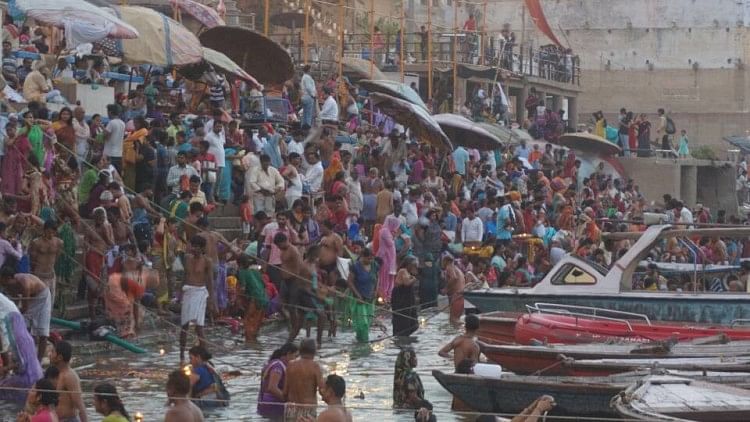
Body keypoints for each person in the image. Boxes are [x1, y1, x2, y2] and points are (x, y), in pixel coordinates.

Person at [0, 266, 51, 361]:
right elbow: (13, 303)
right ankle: (25, 357)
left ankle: (38, 361)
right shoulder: (7, 285)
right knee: (23, 328)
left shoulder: (24, 284)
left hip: (42, 297)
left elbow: (24, 309)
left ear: (9, 278)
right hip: (28, 300)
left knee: (42, 331)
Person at [179, 235, 215, 364]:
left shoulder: (207, 261)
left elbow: (210, 281)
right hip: (188, 292)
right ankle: (182, 355)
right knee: (184, 327)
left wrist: (212, 301)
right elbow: (184, 276)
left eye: (197, 247)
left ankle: (205, 358)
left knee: (199, 327)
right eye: (193, 246)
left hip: (200, 293)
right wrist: (179, 294)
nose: (194, 249)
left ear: (202, 248)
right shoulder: (186, 258)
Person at [284, 338, 324, 421]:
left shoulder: (290, 365)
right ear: (314, 351)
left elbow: (285, 392)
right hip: (308, 408)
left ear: (300, 350)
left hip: (291, 408)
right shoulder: (315, 366)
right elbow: (322, 390)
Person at [258, 342, 299, 419]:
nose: (296, 359)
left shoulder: (275, 363)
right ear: (289, 354)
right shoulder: (278, 367)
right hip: (273, 405)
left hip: (267, 403)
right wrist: (287, 400)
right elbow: (272, 387)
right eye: (295, 356)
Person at [51, 340, 88, 422]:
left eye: (52, 352)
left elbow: (80, 405)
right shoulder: (60, 374)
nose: (49, 355)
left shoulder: (70, 376)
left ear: (60, 357)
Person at [347, 248, 378, 342]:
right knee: (362, 323)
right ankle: (364, 343)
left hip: (370, 298)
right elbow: (349, 282)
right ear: (362, 257)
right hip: (359, 299)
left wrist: (376, 290)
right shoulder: (355, 267)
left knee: (368, 321)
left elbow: (377, 278)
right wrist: (358, 295)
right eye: (368, 259)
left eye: (371, 258)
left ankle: (360, 339)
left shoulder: (374, 265)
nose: (370, 261)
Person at [29, 219, 62, 305]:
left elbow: (57, 257)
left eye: (53, 232)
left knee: (50, 303)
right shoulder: (36, 243)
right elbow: (32, 261)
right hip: (39, 276)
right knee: (39, 303)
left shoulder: (59, 242)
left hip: (51, 275)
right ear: (44, 230)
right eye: (48, 232)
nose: (50, 235)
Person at [237, 255, 268, 341]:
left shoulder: (242, 271)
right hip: (264, 298)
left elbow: (243, 288)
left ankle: (249, 343)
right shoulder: (255, 271)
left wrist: (239, 298)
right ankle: (254, 341)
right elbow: (264, 286)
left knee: (248, 321)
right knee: (257, 323)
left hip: (254, 299)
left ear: (239, 264)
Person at [392, 255, 419, 337]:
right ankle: (401, 338)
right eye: (413, 265)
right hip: (401, 300)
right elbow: (407, 283)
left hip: (409, 300)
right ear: (408, 264)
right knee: (402, 320)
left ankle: (406, 338)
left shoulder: (409, 273)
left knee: (413, 323)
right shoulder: (403, 271)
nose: (415, 267)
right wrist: (414, 279)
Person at [377, 215, 400, 302]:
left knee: (390, 277)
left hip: (390, 257)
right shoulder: (385, 231)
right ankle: (384, 295)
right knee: (385, 276)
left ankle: (389, 295)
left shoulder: (389, 231)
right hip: (385, 257)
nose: (396, 228)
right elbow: (390, 243)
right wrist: (394, 235)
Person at [443, 254, 466, 325]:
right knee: (456, 319)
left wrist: (446, 289)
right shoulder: (457, 268)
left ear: (446, 261)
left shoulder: (449, 267)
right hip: (461, 295)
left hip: (456, 295)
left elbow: (454, 278)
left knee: (453, 320)